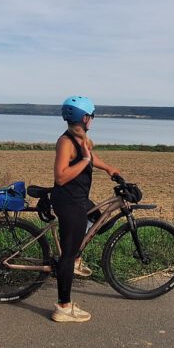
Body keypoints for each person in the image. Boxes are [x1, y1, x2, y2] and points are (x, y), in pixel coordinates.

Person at [51, 95, 121, 324]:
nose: (92, 120)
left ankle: (76, 257)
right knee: (66, 257)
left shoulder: (80, 138)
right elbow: (60, 177)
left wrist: (108, 167)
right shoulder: (66, 142)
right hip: (69, 202)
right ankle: (63, 307)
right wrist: (84, 162)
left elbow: (90, 157)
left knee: (104, 220)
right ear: (83, 117)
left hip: (80, 200)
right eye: (91, 116)